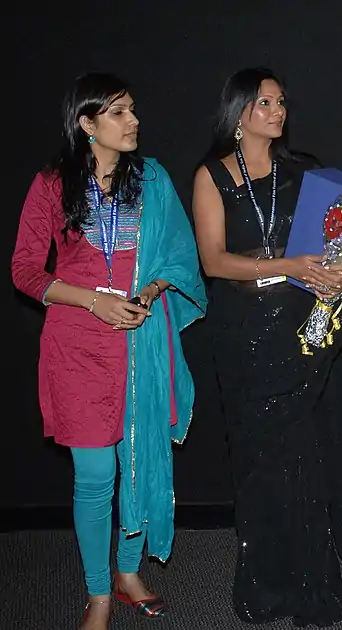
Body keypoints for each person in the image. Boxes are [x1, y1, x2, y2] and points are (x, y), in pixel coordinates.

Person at [190, 67, 342, 627]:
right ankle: (266, 581)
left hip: (301, 334)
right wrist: (287, 265)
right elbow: (213, 261)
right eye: (265, 102)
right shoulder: (212, 176)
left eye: (282, 101)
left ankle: (313, 582)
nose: (278, 111)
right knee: (259, 461)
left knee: (302, 456)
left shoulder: (303, 171)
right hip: (243, 335)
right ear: (239, 113)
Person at [10, 73, 207, 630]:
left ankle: (127, 572)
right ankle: (97, 593)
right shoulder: (52, 184)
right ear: (86, 124)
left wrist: (148, 290)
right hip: (77, 347)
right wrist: (91, 302)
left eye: (133, 110)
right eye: (118, 113)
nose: (133, 121)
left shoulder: (153, 180)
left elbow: (177, 257)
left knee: (138, 461)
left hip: (140, 341)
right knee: (95, 475)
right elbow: (25, 271)